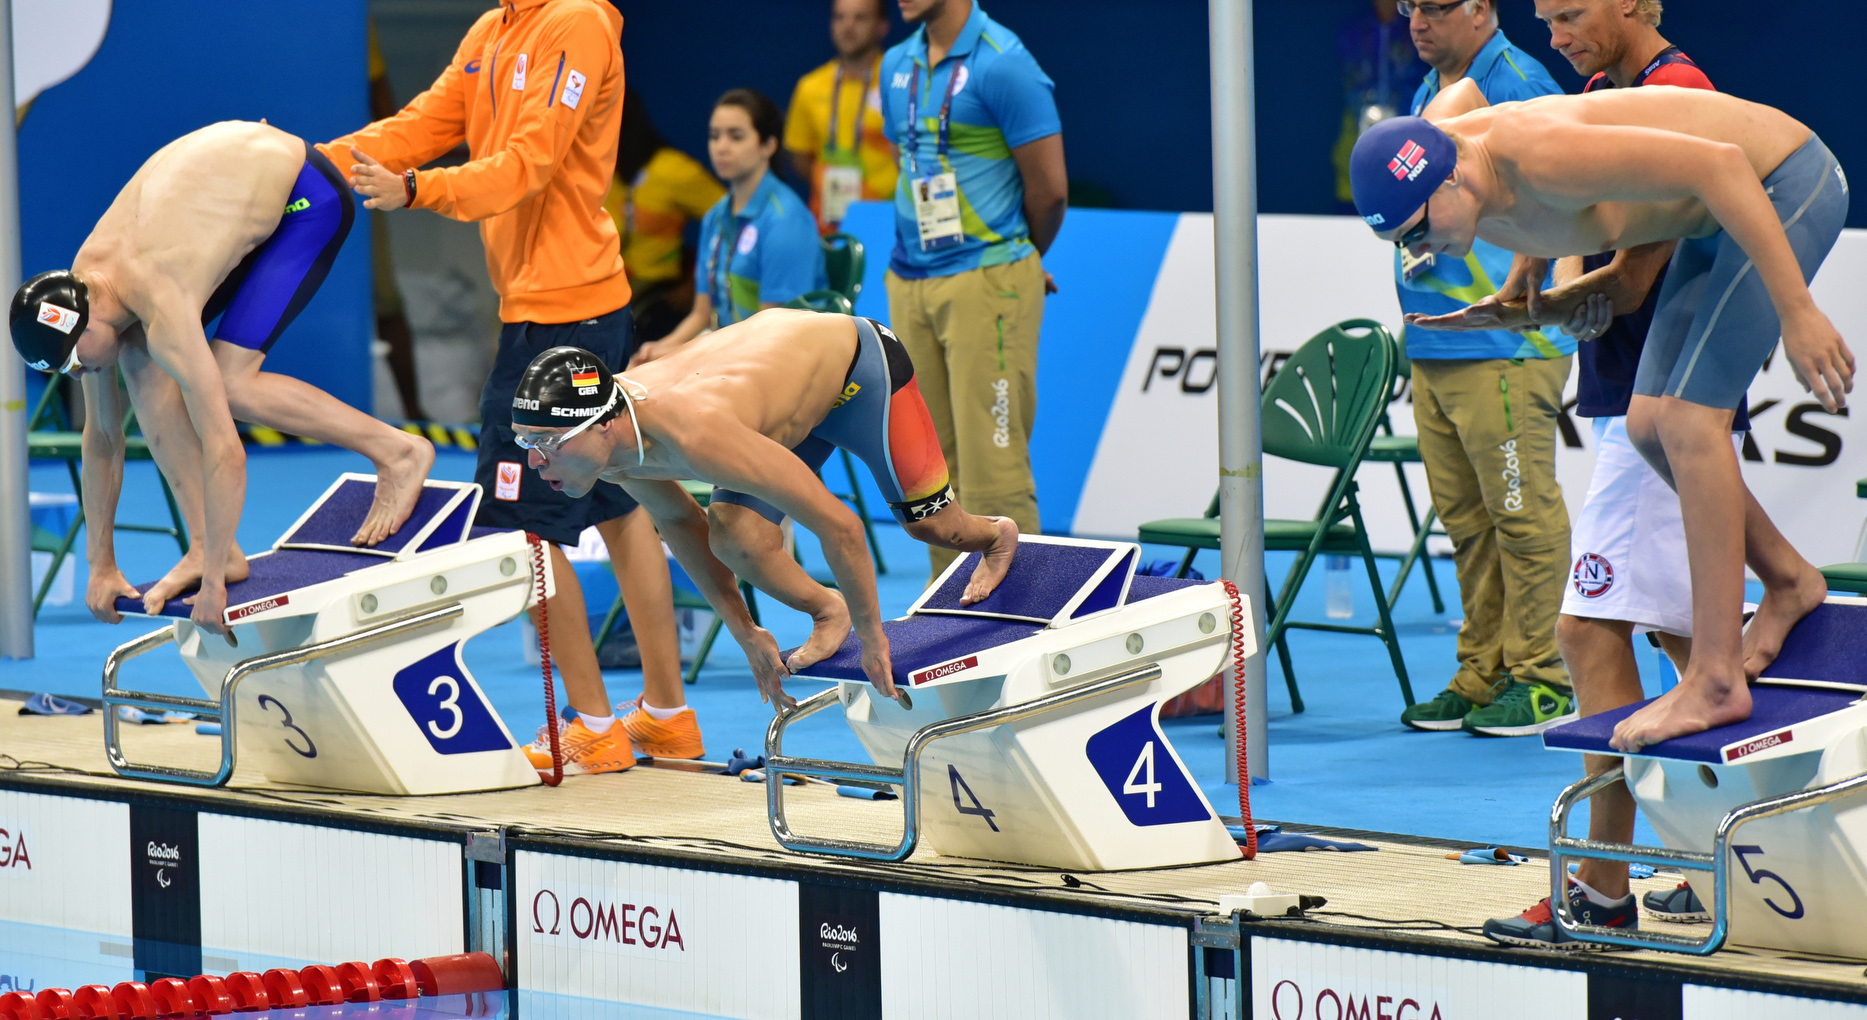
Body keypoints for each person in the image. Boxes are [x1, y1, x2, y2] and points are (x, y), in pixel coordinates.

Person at [1351, 85, 1849, 761]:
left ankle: (1713, 676)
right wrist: (1524, 289)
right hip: (1712, 220)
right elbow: (1461, 97)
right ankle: (1788, 580)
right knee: (1646, 425)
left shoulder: (1542, 153)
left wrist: (1798, 312)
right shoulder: (1450, 154)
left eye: (1416, 230)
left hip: (1780, 186)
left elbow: (1724, 166)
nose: (1421, 250)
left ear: (1454, 175)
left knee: (1687, 424)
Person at [323, 0, 705, 776]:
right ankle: (666, 717)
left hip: (564, 319)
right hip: (553, 311)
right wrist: (310, 164)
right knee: (618, 505)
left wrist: (417, 190)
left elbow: (528, 163)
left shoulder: (575, 23)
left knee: (525, 529)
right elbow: (426, 121)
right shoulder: (495, 28)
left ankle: (594, 725)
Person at [1481, 0, 1725, 948]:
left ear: (1632, 2)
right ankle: (1742, 855)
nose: (1555, 34)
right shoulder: (1596, 91)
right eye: (1544, 18)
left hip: (1661, 410)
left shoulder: (1679, 95)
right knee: (1683, 641)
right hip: (1630, 398)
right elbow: (1561, 223)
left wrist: (1534, 313)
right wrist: (1521, 284)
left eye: (1571, 13)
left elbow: (1632, 273)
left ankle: (1599, 892)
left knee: (1586, 632)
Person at [7, 121, 436, 636]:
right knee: (142, 370)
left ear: (85, 320)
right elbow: (102, 437)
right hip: (226, 194)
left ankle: (398, 451)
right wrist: (101, 563)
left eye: (75, 360)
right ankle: (212, 545)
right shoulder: (88, 290)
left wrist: (213, 587)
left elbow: (225, 449)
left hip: (305, 198)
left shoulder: (158, 302)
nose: (79, 372)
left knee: (229, 385)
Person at [513, 311, 1021, 707]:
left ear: (601, 425)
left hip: (858, 376)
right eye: (526, 442)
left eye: (547, 442)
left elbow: (841, 527)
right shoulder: (610, 442)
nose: (535, 461)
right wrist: (747, 632)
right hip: (781, 404)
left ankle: (996, 535)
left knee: (934, 527)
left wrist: (874, 639)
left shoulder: (695, 432)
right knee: (735, 534)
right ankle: (828, 610)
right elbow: (679, 521)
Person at [1387, 0, 1577, 738]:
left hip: (1504, 346)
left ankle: (1541, 679)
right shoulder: (1425, 93)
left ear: (1481, 10)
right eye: (1411, 6)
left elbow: (1575, 200)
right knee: (1468, 523)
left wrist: (1545, 308)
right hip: (1437, 342)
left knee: (1520, 516)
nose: (1419, 21)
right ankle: (1482, 669)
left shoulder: (1520, 85)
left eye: (1437, 6)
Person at [882, 0, 1066, 584]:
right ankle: (956, 620)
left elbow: (1050, 190)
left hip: (986, 280)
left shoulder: (1005, 64)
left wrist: (1019, 259)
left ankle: (1022, 626)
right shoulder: (896, 65)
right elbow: (911, 159)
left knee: (994, 468)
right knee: (930, 476)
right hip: (909, 280)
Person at [631, 90, 828, 364]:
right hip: (728, 350)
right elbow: (701, 314)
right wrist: (659, 349)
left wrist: (685, 354)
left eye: (736, 136)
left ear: (768, 145)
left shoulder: (786, 219)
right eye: (714, 136)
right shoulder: (715, 216)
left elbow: (772, 330)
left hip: (780, 359)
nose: (721, 147)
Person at [604, 85, 724, 344]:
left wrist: (695, 284)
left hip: (653, 297)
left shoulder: (673, 171)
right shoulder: (602, 173)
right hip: (609, 289)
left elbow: (730, 221)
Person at [785, 0, 898, 234]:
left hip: (888, 220)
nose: (848, 26)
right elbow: (800, 158)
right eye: (840, 17)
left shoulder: (901, 82)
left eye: (860, 18)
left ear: (882, 26)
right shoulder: (810, 87)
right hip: (828, 223)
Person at [1332, 0, 1430, 211]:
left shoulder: (1417, 29)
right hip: (1358, 130)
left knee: (1405, 205)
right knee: (1353, 200)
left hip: (1408, 131)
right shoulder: (1353, 30)